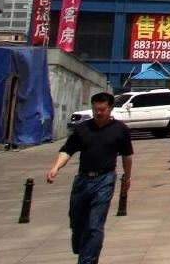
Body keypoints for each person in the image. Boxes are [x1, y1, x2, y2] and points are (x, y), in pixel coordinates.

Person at [45, 91, 134, 264]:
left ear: (110, 109)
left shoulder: (120, 130)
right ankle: (83, 247)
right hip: (82, 180)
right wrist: (55, 167)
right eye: (95, 110)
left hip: (105, 180)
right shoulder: (82, 129)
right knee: (77, 222)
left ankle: (87, 260)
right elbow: (67, 150)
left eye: (102, 110)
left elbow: (127, 156)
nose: (98, 113)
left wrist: (127, 178)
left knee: (94, 225)